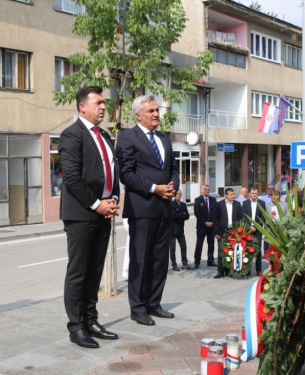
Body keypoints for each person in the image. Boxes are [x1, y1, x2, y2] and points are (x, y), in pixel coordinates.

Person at [58, 86, 120, 349]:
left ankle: (91, 320)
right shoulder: (71, 135)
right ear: (82, 106)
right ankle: (76, 327)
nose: (103, 107)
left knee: (95, 270)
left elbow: (111, 170)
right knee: (79, 271)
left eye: (104, 102)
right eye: (98, 102)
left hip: (103, 212)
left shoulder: (104, 135)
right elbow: (71, 178)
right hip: (82, 214)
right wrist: (97, 204)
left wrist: (113, 198)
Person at [116, 94, 179, 327]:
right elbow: (127, 174)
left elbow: (173, 168)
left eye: (157, 110)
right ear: (138, 115)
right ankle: (138, 307)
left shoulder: (163, 138)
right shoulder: (127, 138)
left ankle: (154, 302)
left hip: (164, 208)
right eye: (151, 111)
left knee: (160, 260)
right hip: (142, 209)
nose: (156, 114)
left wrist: (173, 186)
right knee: (140, 259)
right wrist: (155, 189)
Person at [213, 187, 243, 278]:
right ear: (226, 195)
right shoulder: (219, 204)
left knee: (231, 251)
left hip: (233, 232)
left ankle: (229, 270)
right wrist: (216, 232)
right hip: (222, 231)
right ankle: (220, 271)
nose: (233, 196)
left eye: (234, 194)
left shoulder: (237, 205)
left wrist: (239, 230)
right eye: (231, 194)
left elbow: (240, 218)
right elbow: (215, 219)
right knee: (221, 251)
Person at [242, 187, 266, 276]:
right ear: (249, 194)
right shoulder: (245, 203)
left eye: (255, 193)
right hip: (248, 230)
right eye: (252, 193)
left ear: (258, 194)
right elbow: (243, 216)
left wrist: (255, 226)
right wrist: (249, 226)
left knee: (258, 250)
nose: (254, 195)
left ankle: (258, 270)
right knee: (247, 250)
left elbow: (263, 217)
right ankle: (247, 269)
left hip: (257, 230)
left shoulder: (262, 203)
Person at [193, 185, 217, 269]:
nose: (207, 191)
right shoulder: (198, 200)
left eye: (208, 189)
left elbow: (215, 212)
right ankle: (197, 262)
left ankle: (210, 260)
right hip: (202, 227)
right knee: (199, 244)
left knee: (211, 244)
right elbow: (197, 213)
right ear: (202, 191)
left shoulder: (213, 200)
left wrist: (212, 222)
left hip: (211, 226)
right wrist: (205, 222)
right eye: (205, 189)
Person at [170, 190, 191, 271]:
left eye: (180, 194)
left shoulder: (183, 205)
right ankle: (174, 264)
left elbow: (188, 216)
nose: (178, 195)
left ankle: (185, 263)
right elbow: (173, 215)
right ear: (174, 195)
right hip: (172, 230)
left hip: (180, 230)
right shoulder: (171, 204)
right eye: (177, 194)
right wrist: (182, 215)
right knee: (172, 248)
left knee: (183, 246)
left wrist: (181, 215)